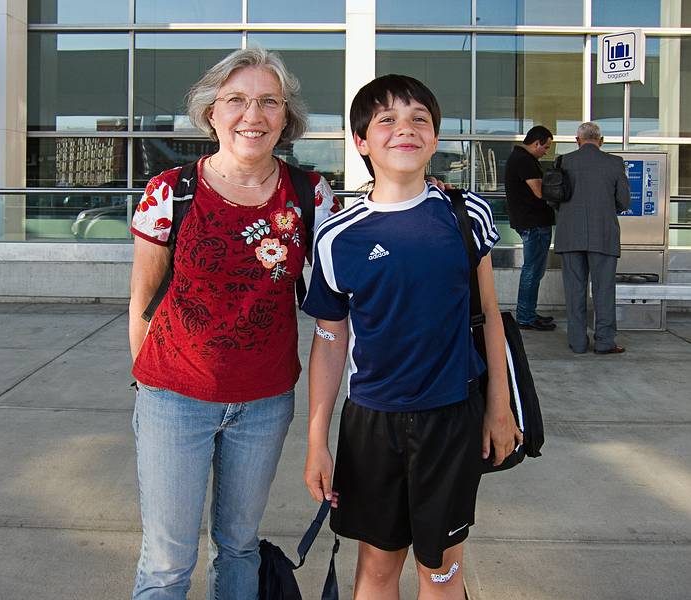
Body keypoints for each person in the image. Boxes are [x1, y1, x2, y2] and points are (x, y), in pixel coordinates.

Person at [128, 47, 339, 599]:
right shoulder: (171, 191)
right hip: (174, 397)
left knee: (240, 546)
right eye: (237, 100)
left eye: (269, 101)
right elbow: (142, 301)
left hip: (265, 402)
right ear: (211, 113)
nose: (254, 114)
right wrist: (149, 384)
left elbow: (336, 295)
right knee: (168, 562)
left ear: (286, 117)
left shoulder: (309, 194)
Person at [301, 74, 522, 599]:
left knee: (441, 571)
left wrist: (498, 408)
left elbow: (488, 314)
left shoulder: (465, 215)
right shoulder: (336, 236)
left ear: (436, 137)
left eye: (419, 118)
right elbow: (330, 341)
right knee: (377, 570)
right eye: (387, 120)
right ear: (361, 142)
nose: (406, 129)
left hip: (451, 417)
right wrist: (317, 439)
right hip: (373, 423)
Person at [555, 121, 630, 354]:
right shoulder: (614, 163)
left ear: (577, 141)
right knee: (604, 289)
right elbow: (624, 201)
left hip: (569, 235)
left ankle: (577, 343)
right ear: (601, 140)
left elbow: (553, 196)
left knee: (574, 289)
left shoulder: (563, 162)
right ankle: (605, 342)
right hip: (604, 235)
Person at [504, 125, 556, 331]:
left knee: (534, 271)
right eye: (546, 147)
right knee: (532, 271)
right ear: (536, 143)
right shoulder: (525, 161)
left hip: (528, 222)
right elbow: (539, 192)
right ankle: (526, 317)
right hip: (534, 223)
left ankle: (529, 312)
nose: (546, 151)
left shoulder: (519, 158)